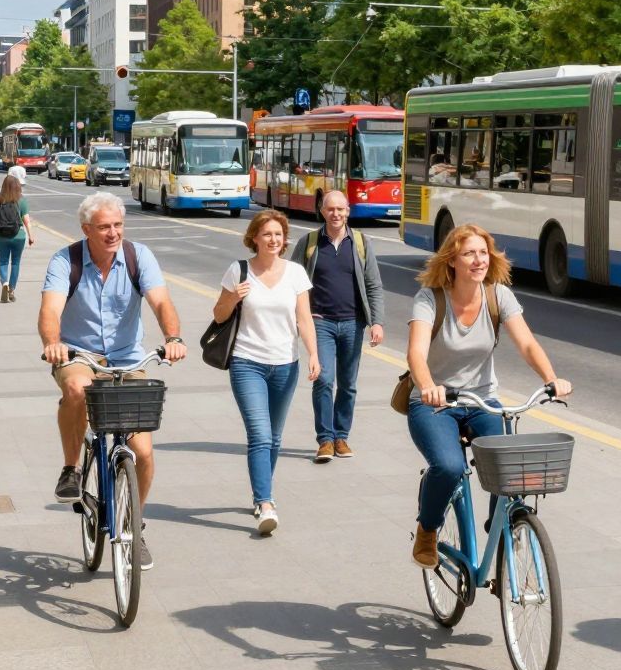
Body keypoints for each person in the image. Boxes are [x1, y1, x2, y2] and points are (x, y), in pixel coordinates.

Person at [405, 223, 572, 568]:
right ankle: (428, 528)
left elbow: (526, 343)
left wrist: (551, 378)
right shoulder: (430, 298)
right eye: (469, 253)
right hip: (436, 402)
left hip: (481, 400)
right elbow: (416, 354)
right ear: (452, 260)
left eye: (483, 253)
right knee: (449, 466)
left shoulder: (498, 296)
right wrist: (426, 386)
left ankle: (503, 527)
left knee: (509, 469)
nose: (478, 260)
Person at [39, 193, 185, 571]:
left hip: (128, 358)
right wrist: (53, 344)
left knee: (145, 452)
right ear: (86, 229)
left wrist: (172, 338)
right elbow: (50, 310)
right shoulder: (65, 260)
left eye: (118, 225)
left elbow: (161, 302)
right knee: (76, 389)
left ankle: (134, 524)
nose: (113, 233)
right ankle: (71, 469)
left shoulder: (139, 257)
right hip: (79, 355)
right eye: (104, 227)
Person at [212, 210, 321, 534]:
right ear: (254, 238)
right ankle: (265, 501)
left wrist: (313, 354)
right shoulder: (239, 271)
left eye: (278, 234)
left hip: (286, 364)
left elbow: (304, 318)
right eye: (267, 234)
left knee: (274, 438)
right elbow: (219, 316)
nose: (274, 240)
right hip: (247, 363)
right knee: (260, 435)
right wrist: (233, 297)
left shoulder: (296, 273)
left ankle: (262, 493)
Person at [293, 190, 385, 463]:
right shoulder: (308, 243)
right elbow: (293, 283)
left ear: (348, 212)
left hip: (352, 323)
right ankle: (325, 440)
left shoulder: (360, 243)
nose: (336, 214)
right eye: (330, 209)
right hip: (320, 322)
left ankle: (341, 436)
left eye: (341, 209)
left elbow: (374, 285)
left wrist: (377, 322)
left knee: (348, 384)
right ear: (322, 211)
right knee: (323, 379)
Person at [0, 175, 35, 303]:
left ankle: (5, 283)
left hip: (2, 236)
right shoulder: (21, 200)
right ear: (17, 186)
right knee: (15, 263)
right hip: (18, 236)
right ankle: (12, 289)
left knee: (3, 261)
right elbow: (27, 220)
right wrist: (31, 236)